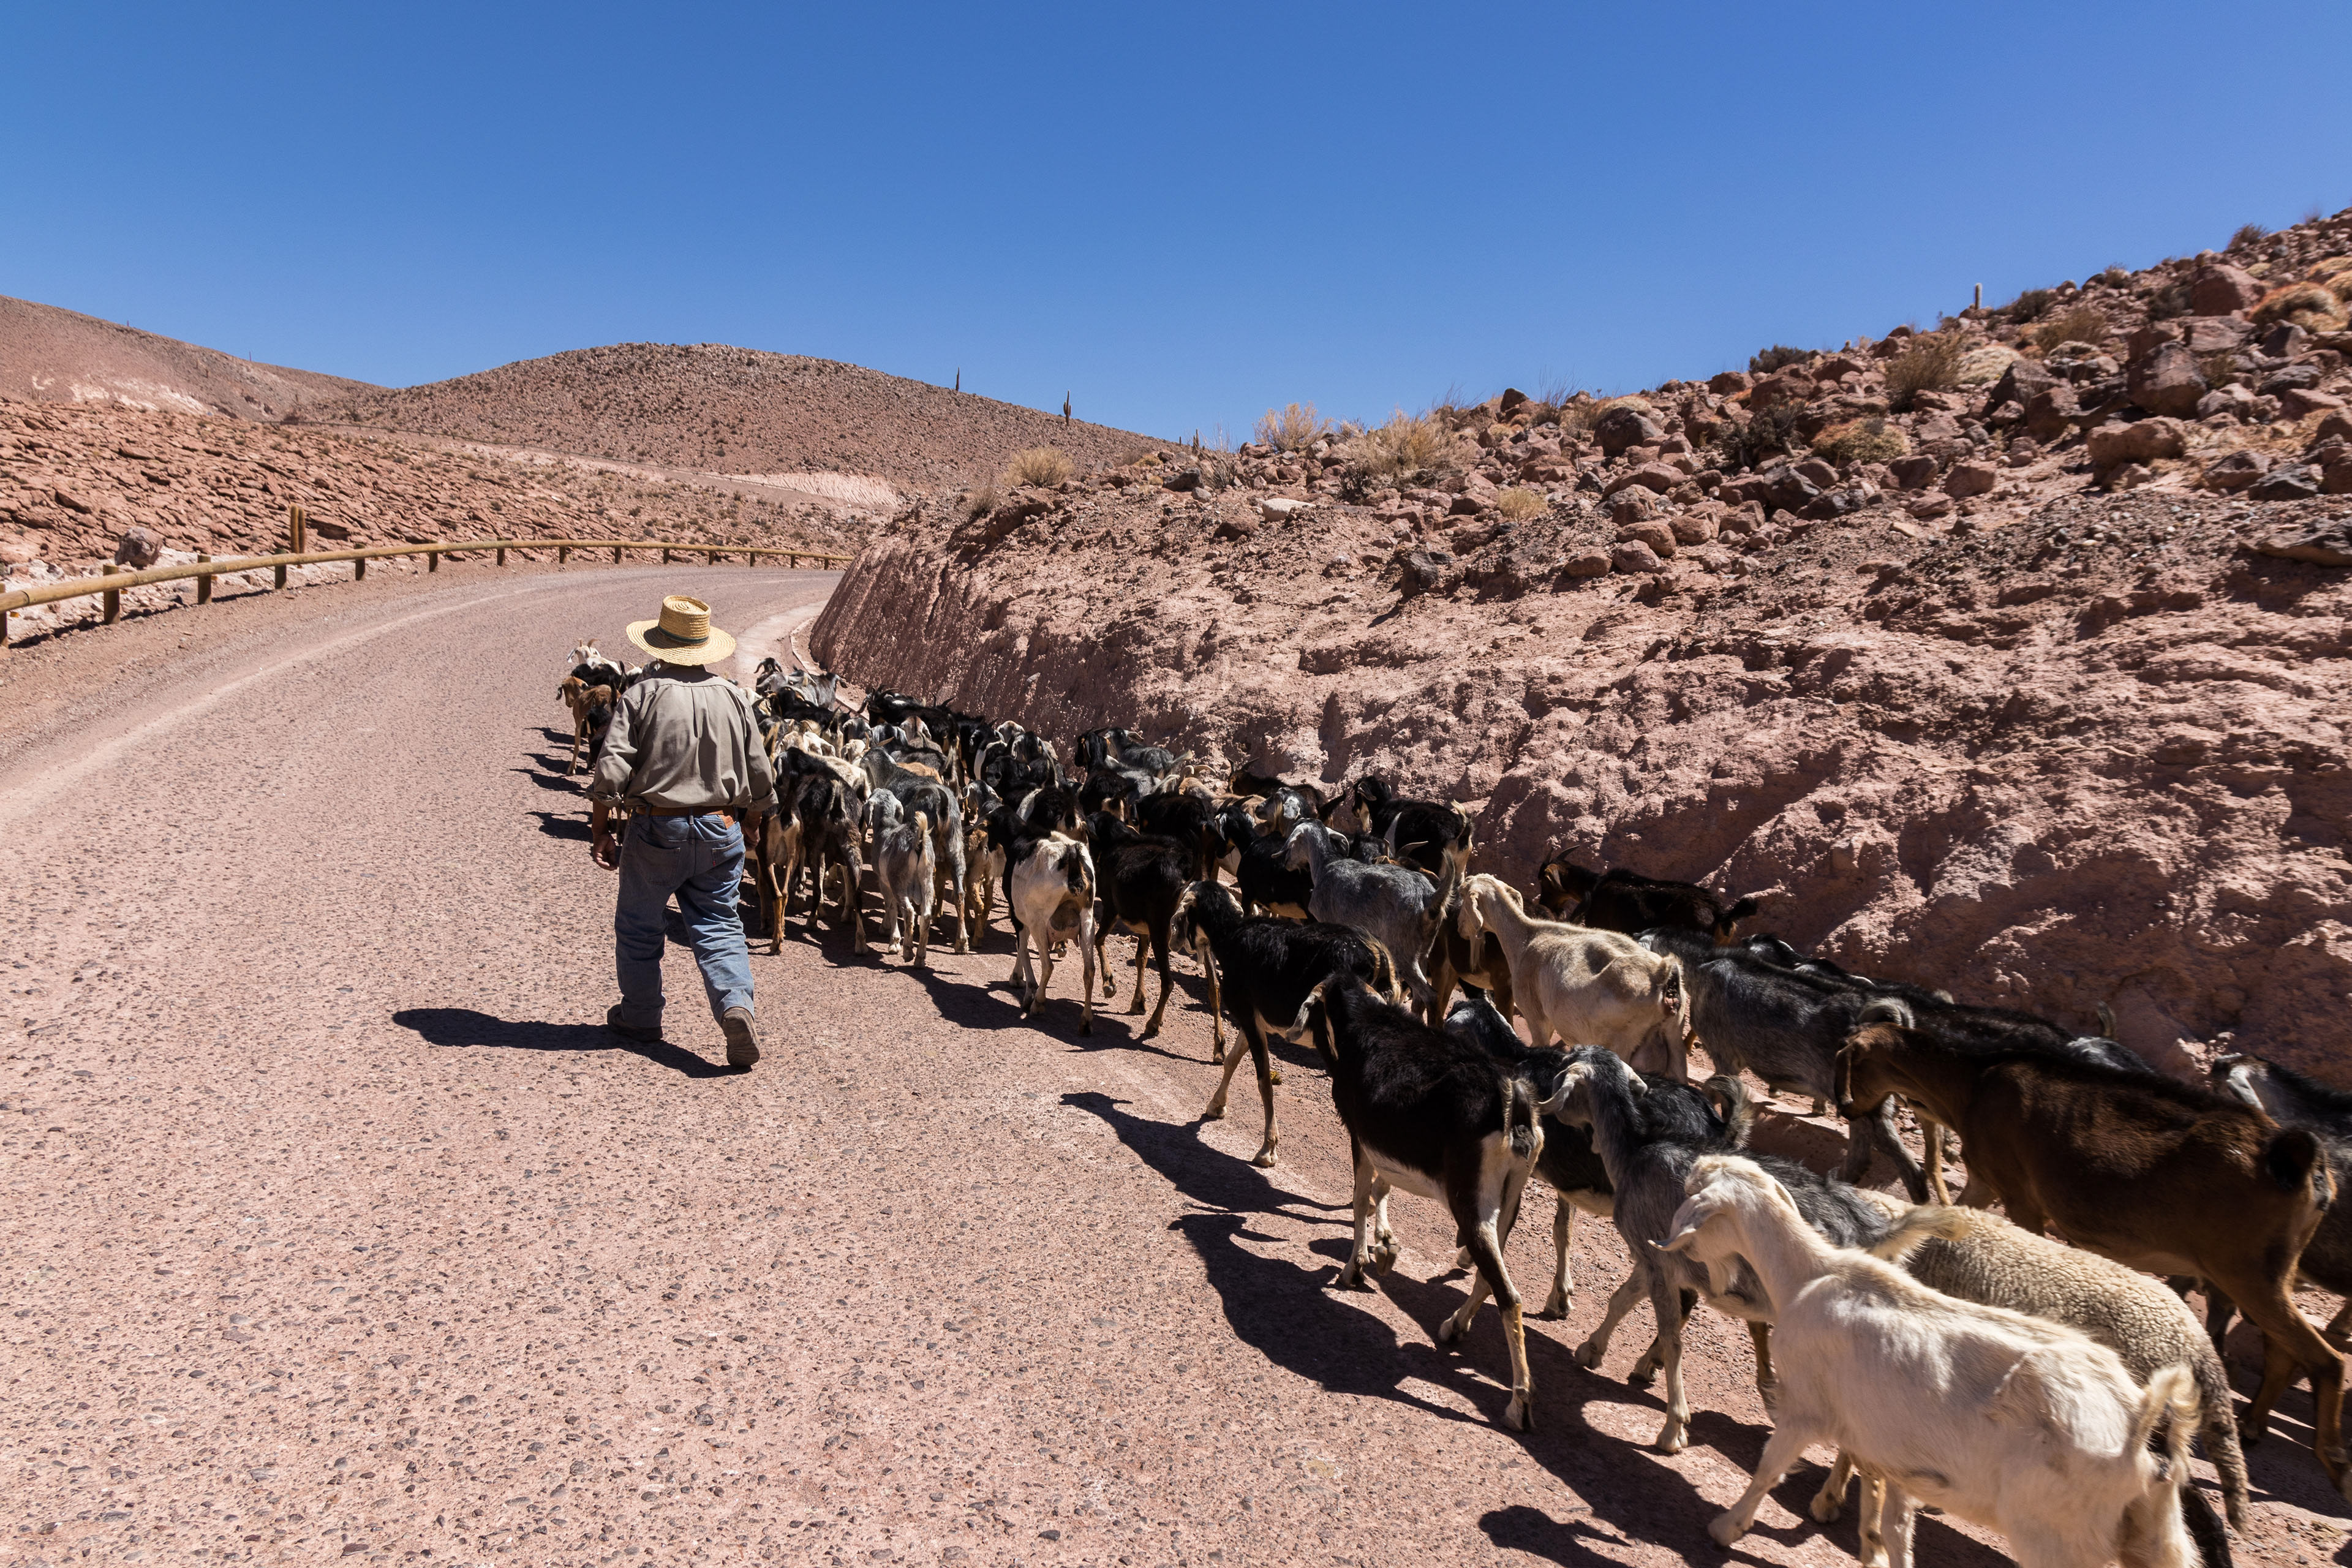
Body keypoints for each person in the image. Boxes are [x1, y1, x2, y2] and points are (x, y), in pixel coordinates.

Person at [589, 595, 777, 1068]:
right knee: (720, 925)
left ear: (659, 645)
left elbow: (610, 771)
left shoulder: (642, 695)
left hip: (657, 827)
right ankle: (735, 1006)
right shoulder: (734, 696)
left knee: (639, 925)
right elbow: (760, 773)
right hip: (721, 826)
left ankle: (641, 1016)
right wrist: (752, 824)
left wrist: (601, 830)